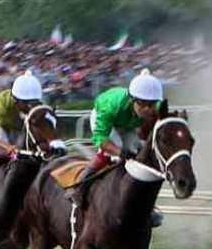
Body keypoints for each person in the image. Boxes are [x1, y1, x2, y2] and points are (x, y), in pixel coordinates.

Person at [66, 69, 164, 226]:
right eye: (143, 104)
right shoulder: (111, 105)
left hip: (126, 123)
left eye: (152, 105)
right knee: (116, 153)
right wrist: (120, 152)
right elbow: (101, 140)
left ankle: (146, 206)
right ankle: (80, 187)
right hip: (104, 120)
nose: (147, 109)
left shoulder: (156, 107)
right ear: (133, 100)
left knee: (137, 152)